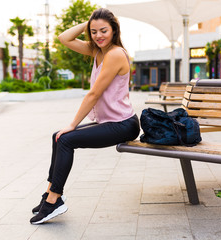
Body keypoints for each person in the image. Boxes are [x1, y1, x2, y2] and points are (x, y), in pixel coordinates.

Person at [30, 8, 140, 225]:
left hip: (123, 124)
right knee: (57, 136)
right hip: (111, 122)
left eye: (104, 31)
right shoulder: (98, 51)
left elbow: (94, 93)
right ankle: (49, 194)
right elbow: (64, 38)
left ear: (114, 30)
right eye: (93, 32)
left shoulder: (115, 54)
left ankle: (54, 201)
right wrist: (88, 22)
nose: (98, 36)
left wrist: (72, 124)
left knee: (66, 139)